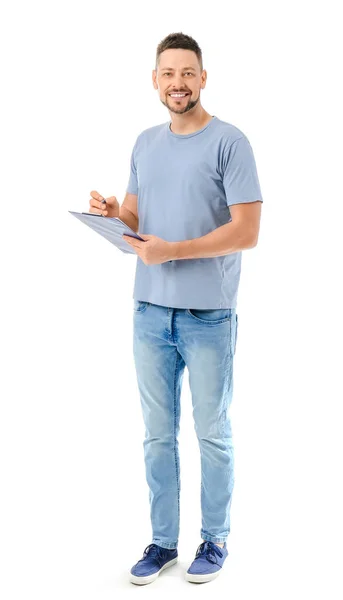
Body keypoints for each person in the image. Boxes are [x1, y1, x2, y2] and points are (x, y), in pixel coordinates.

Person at [88, 32, 263, 585]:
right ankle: (163, 542)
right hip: (148, 314)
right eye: (168, 73)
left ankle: (214, 540)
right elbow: (138, 223)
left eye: (188, 72)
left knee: (212, 433)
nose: (178, 83)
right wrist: (117, 214)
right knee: (156, 435)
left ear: (204, 78)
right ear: (155, 80)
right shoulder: (144, 142)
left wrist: (173, 252)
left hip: (208, 316)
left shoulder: (231, 142)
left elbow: (248, 231)